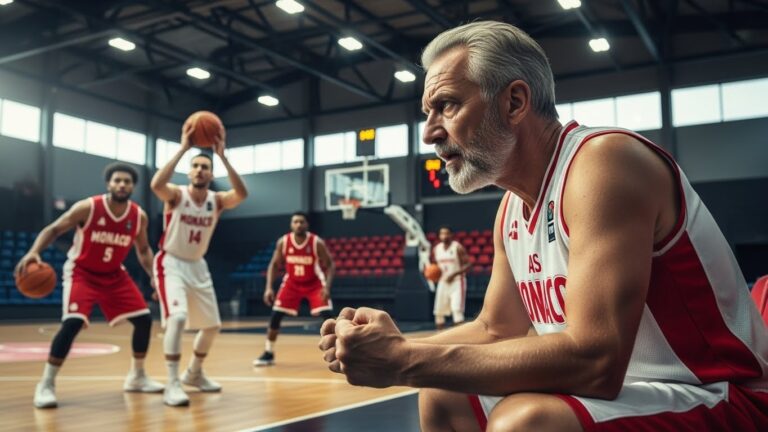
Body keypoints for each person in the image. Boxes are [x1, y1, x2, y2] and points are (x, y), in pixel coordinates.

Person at [319, 21, 768, 431]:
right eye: (428, 113)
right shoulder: (512, 208)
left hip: (723, 394)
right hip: (637, 395)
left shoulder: (602, 164)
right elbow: (497, 329)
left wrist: (401, 361)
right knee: (444, 391)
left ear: (514, 101)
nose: (430, 132)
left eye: (447, 106)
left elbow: (596, 361)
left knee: (527, 422)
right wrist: (390, 345)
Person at [16, 163, 163, 408]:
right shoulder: (89, 207)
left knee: (144, 320)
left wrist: (154, 277)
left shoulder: (138, 216)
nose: (122, 185)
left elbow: (145, 249)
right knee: (72, 322)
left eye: (127, 182)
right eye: (117, 181)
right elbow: (53, 229)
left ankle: (137, 376)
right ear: (109, 184)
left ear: (133, 187)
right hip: (82, 272)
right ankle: (46, 383)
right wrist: (33, 252)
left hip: (114, 274)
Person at [150, 123, 247, 406]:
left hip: (197, 265)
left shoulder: (216, 201)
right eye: (196, 166)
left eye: (205, 166)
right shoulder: (177, 195)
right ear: (190, 172)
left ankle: (193, 373)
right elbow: (156, 185)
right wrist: (183, 149)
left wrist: (224, 156)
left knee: (213, 326)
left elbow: (241, 195)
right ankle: (171, 383)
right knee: (178, 320)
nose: (200, 170)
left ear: (211, 173)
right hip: (171, 262)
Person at [254, 212, 335, 367]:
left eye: (301, 222)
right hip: (292, 282)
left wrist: (327, 287)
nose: (298, 224)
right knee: (275, 316)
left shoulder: (316, 242)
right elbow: (274, 265)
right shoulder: (283, 242)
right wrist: (268, 287)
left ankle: (338, 352)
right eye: (295, 222)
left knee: (328, 317)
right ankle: (268, 352)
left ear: (307, 224)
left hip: (314, 283)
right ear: (291, 224)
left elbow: (330, 265)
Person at [432, 225, 470, 330]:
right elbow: (435, 268)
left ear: (451, 235)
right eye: (442, 233)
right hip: (443, 282)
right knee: (438, 312)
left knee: (456, 310)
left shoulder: (457, 247)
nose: (444, 235)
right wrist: (433, 274)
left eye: (446, 233)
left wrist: (454, 274)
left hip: (457, 282)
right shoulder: (436, 249)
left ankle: (461, 339)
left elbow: (468, 265)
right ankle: (439, 339)